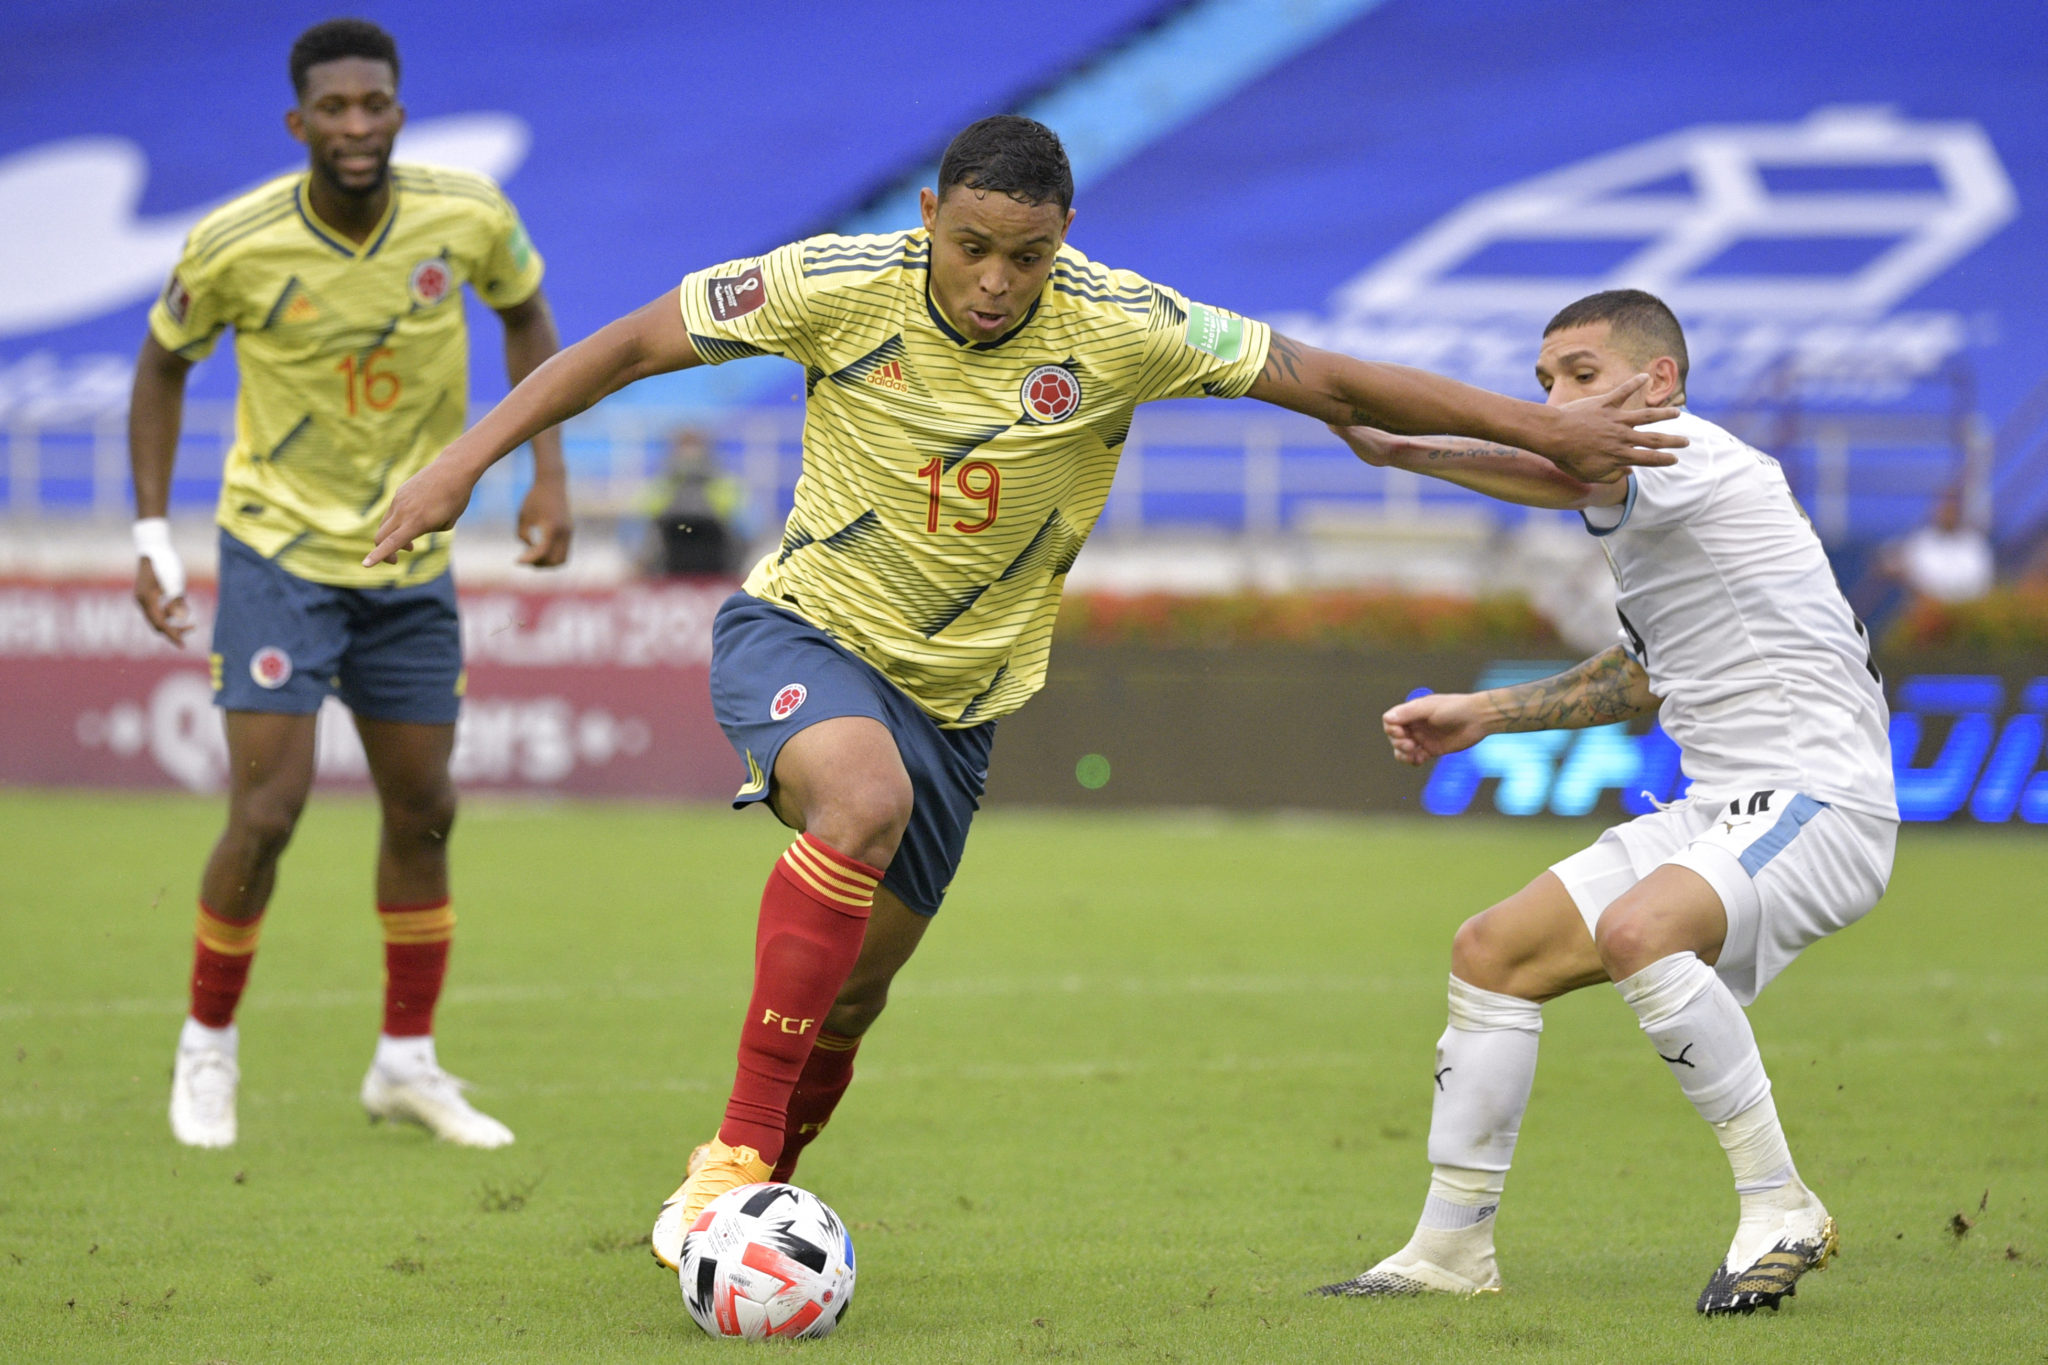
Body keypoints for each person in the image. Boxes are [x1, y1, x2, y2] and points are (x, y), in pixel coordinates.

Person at [362, 116, 1684, 1267]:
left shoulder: (1121, 324)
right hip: (805, 635)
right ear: (929, 216)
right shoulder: (831, 284)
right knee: (857, 800)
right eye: (972, 246)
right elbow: (626, 346)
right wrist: (466, 463)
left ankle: (755, 1195)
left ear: (1065, 240)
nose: (997, 282)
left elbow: (1325, 376)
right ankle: (733, 1167)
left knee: (856, 997)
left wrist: (1545, 428)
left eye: (1029, 256)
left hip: (966, 705)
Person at [1317, 290, 1897, 1314]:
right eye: (1544, 381)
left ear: (1656, 383)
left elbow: (1556, 462)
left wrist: (1401, 445)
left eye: (1579, 375)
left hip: (1818, 799)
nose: (1554, 398)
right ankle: (1450, 1249)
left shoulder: (1686, 454)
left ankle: (1778, 1204)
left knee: (1639, 931)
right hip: (1722, 807)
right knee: (1492, 953)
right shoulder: (1664, 519)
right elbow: (1638, 677)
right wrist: (1482, 714)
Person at [130, 19, 572, 1150]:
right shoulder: (233, 243)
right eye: (335, 110)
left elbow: (527, 317)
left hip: (409, 558)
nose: (358, 126)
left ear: (399, 111)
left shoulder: (467, 215)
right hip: (277, 550)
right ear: (300, 124)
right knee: (267, 813)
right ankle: (207, 1048)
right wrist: (149, 533)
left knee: (425, 811)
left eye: (375, 105)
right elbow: (161, 366)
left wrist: (545, 476)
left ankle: (406, 1067)